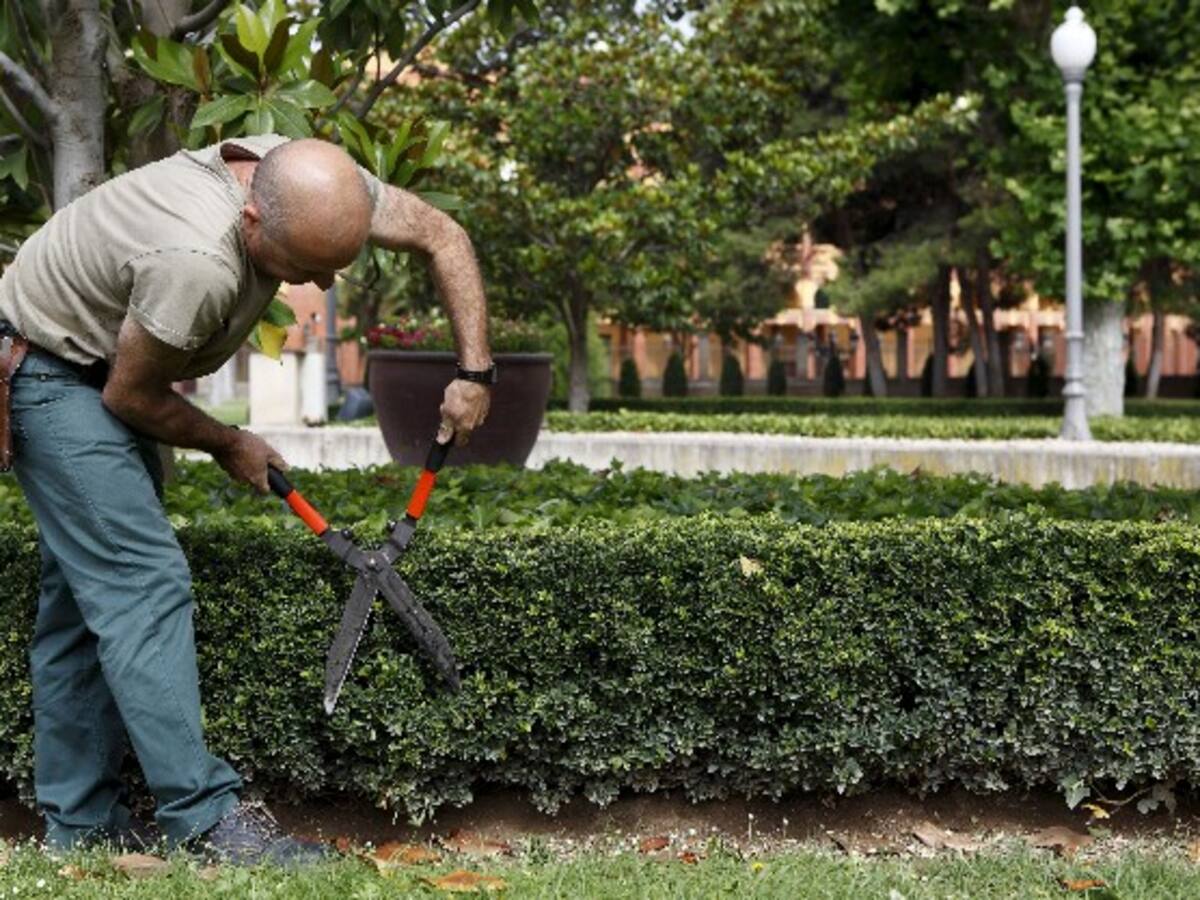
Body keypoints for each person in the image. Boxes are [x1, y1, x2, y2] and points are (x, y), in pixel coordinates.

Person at [0, 135, 494, 863]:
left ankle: (80, 827)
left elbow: (443, 234)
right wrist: (230, 442)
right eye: (305, 268)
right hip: (48, 370)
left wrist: (476, 373)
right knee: (143, 582)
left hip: (93, 361)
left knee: (84, 597)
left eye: (334, 268)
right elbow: (131, 397)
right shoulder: (196, 259)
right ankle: (205, 821)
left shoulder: (317, 182)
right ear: (253, 217)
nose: (320, 285)